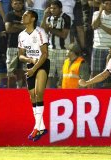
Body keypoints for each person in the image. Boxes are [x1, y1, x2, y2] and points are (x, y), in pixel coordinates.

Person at [18, 10, 50, 141]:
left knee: (38, 93)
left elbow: (44, 54)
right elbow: (20, 55)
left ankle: (36, 127)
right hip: (31, 65)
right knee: (32, 97)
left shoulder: (40, 32)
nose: (23, 16)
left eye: (26, 15)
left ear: (33, 19)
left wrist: (35, 67)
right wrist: (29, 60)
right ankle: (42, 127)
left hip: (42, 64)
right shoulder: (21, 35)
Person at [90, 0, 111, 88]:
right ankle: (95, 94)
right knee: (95, 73)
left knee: (110, 75)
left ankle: (108, 95)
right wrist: (100, 11)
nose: (109, 6)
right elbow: (94, 26)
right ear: (102, 5)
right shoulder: (96, 14)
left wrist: (101, 26)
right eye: (106, 3)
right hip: (97, 47)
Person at [41, 0, 71, 88]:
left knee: (62, 75)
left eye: (55, 8)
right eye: (51, 8)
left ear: (60, 9)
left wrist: (50, 29)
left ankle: (61, 94)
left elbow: (63, 35)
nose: (52, 10)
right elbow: (43, 30)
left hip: (63, 50)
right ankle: (48, 94)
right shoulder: (48, 18)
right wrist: (44, 16)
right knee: (48, 74)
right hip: (51, 49)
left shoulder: (66, 18)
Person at [5, 0, 25, 88]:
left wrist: (15, 26)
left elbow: (30, 29)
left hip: (25, 48)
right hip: (12, 46)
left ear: (23, 4)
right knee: (11, 73)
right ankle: (10, 95)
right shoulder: (9, 15)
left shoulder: (27, 15)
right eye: (15, 3)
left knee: (22, 72)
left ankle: (20, 93)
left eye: (20, 3)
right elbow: (8, 29)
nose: (18, 5)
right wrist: (23, 27)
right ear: (12, 4)